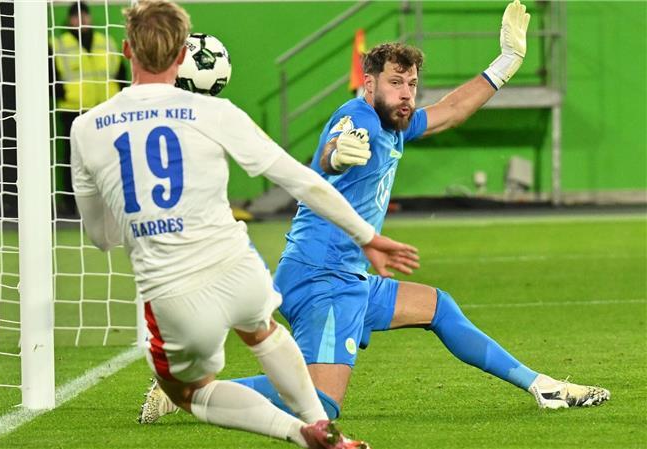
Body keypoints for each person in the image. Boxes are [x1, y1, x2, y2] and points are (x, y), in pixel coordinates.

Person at [139, 0, 610, 424]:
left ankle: (541, 387)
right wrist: (336, 155)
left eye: (412, 84)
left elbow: (451, 110)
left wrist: (506, 64)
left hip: (349, 277)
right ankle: (186, 393)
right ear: (369, 85)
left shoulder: (396, 123)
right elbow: (329, 154)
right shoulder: (359, 117)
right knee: (321, 404)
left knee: (438, 307)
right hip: (321, 279)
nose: (407, 94)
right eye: (395, 83)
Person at [70, 1, 422, 447]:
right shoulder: (216, 112)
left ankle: (297, 433)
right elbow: (300, 179)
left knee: (189, 394)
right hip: (238, 269)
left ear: (126, 50)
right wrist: (367, 236)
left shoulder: (86, 129)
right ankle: (320, 424)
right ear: (181, 56)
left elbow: (102, 237)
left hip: (174, 292)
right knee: (263, 331)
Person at [52, 1, 125, 217]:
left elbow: (120, 72)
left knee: (108, 157)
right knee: (73, 160)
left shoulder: (106, 42)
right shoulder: (58, 44)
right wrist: (64, 93)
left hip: (105, 109)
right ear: (69, 20)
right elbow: (50, 76)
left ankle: (109, 202)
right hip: (73, 109)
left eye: (84, 15)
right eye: (76, 16)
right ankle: (71, 204)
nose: (81, 20)